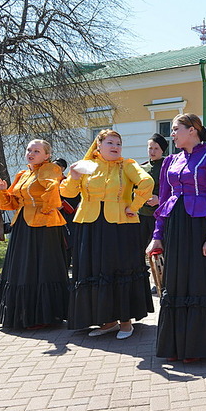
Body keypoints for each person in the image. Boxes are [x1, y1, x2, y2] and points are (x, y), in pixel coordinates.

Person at [146, 113, 206, 363]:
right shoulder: (170, 161)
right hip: (177, 227)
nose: (172, 134)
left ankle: (199, 346)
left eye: (176, 129)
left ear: (193, 130)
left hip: (201, 229)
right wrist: (157, 235)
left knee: (199, 282)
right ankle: (177, 344)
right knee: (176, 283)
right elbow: (164, 201)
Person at [61, 130, 154, 339]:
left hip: (120, 225)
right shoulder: (86, 165)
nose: (115, 147)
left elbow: (147, 183)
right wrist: (73, 177)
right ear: (99, 145)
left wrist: (135, 205)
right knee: (95, 270)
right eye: (110, 143)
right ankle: (107, 320)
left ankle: (125, 323)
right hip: (89, 225)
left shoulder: (127, 165)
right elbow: (67, 193)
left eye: (119, 143)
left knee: (118, 269)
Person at [0, 140, 70, 329]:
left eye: (36, 150)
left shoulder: (51, 170)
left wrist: (48, 205)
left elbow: (53, 190)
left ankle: (44, 316)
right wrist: (2, 192)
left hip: (45, 225)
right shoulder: (23, 174)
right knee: (21, 269)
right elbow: (12, 203)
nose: (31, 153)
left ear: (47, 155)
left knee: (42, 269)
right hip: (23, 226)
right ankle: (23, 315)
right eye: (29, 150)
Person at [139, 133, 167, 291]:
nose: (152, 151)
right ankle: (145, 281)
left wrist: (160, 199)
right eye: (150, 148)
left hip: (160, 214)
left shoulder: (168, 166)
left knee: (160, 249)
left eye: (156, 148)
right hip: (142, 214)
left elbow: (172, 190)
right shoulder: (142, 168)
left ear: (162, 150)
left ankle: (162, 280)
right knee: (142, 249)